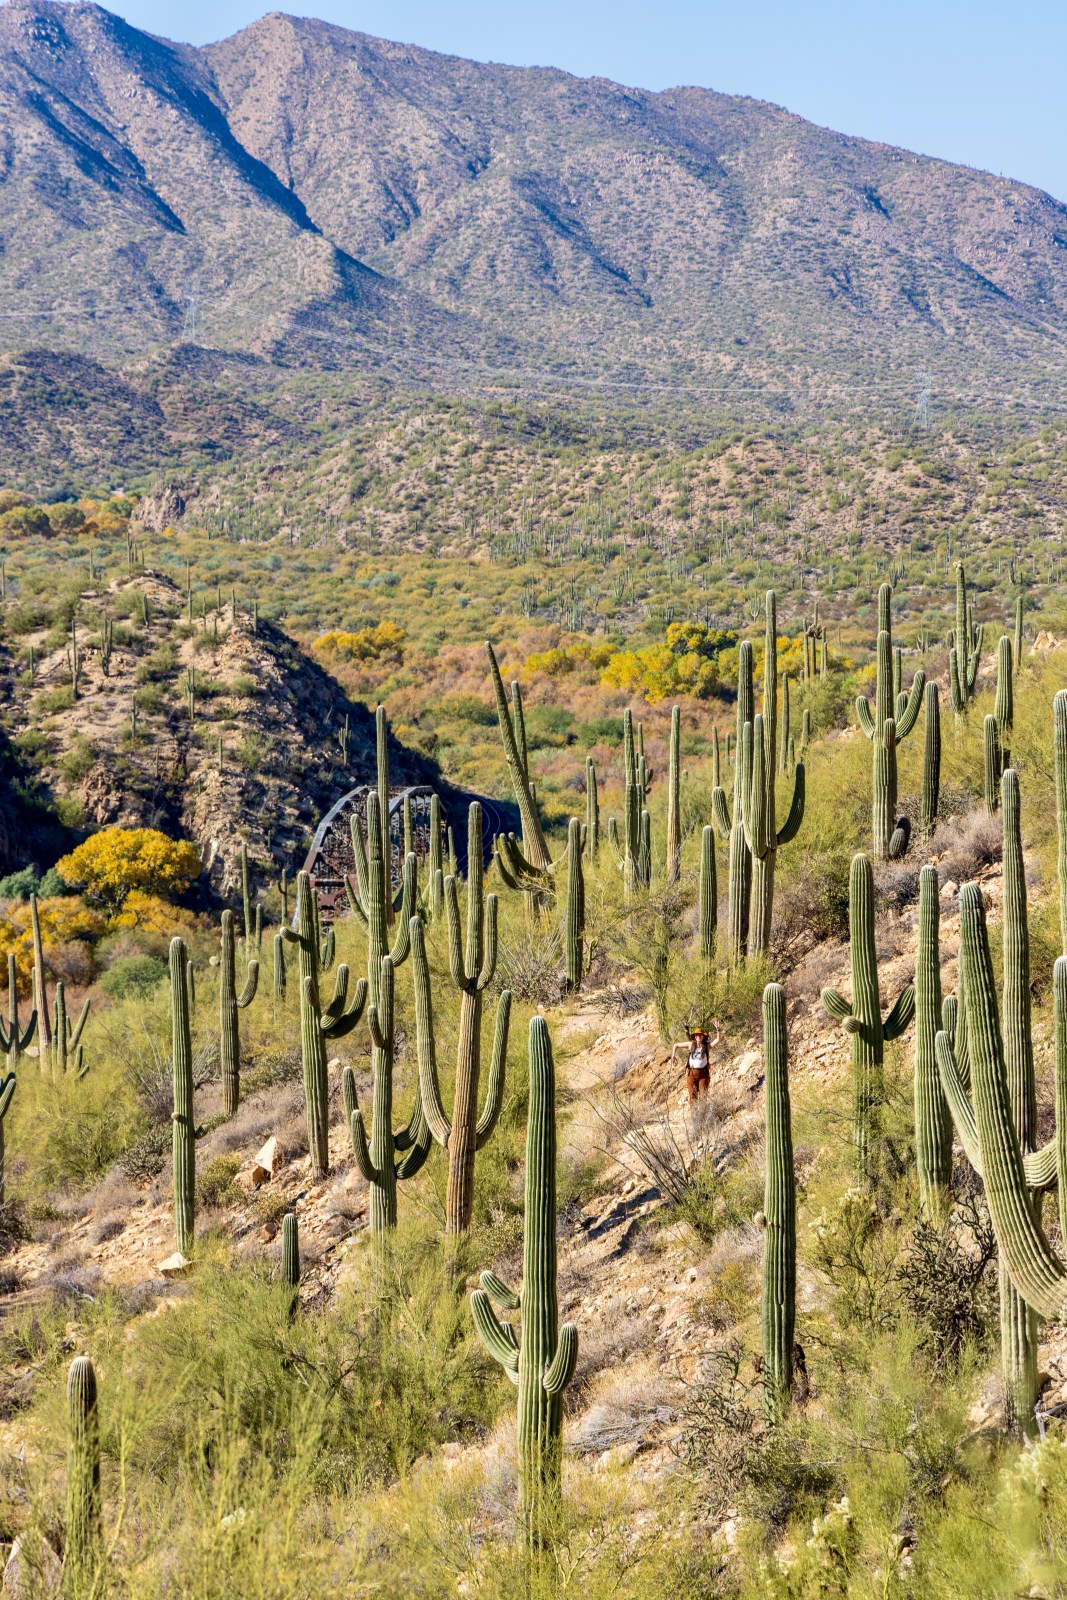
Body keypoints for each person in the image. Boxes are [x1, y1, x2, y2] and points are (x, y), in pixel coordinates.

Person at [670, 1020, 721, 1105]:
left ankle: (702, 1117)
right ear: (695, 1036)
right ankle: (694, 1118)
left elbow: (718, 1040)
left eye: (700, 1035)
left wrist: (718, 1030)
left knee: (703, 1097)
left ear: (703, 1036)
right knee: (692, 1097)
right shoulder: (690, 1045)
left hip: (703, 1074)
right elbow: (676, 1045)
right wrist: (673, 1055)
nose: (698, 1037)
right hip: (692, 1074)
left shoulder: (706, 1046)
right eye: (697, 1035)